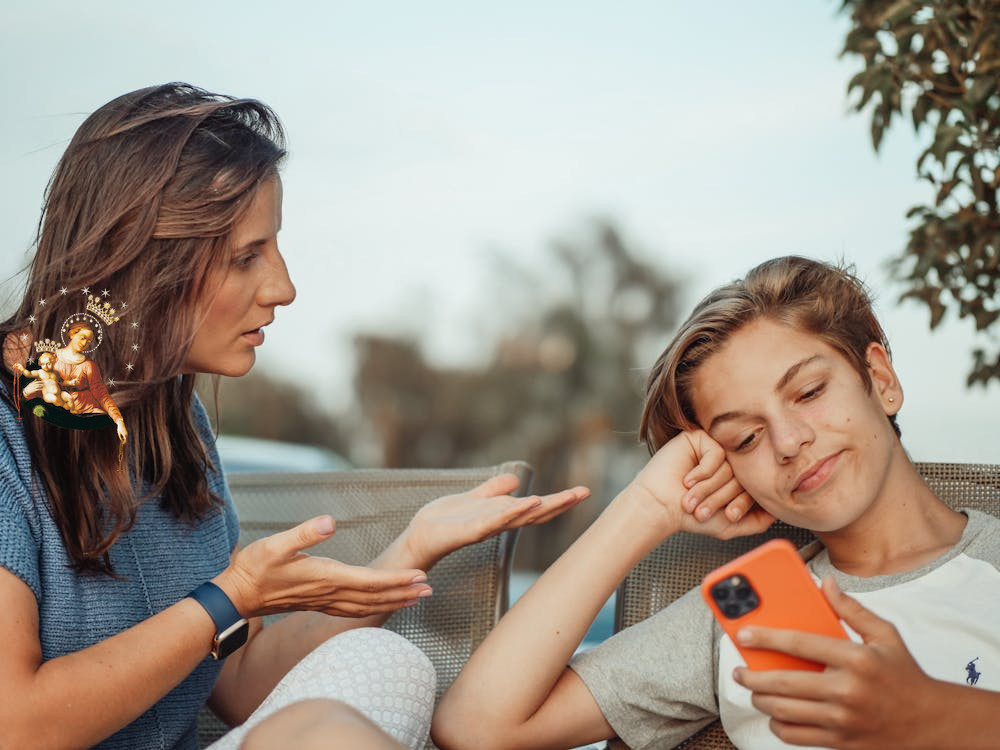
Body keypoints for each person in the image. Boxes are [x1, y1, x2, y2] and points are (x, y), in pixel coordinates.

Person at [0, 83, 589, 750]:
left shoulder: (178, 429)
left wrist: (408, 548)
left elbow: (239, 682)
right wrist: (231, 596)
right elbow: (14, 726)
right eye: (247, 256)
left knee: (387, 664)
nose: (283, 287)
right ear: (142, 259)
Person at [434, 255, 1000, 750]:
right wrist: (645, 508)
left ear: (879, 379)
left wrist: (930, 715)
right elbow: (477, 727)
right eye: (744, 439)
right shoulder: (738, 617)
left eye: (809, 392)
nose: (788, 442)